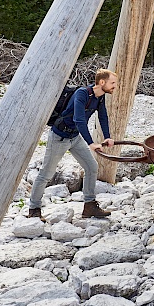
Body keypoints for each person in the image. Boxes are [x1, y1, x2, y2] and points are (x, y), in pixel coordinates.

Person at [28, 68, 118, 220]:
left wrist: (108, 137)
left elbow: (103, 117)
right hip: (60, 137)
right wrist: (91, 143)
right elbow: (79, 119)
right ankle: (34, 209)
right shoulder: (82, 94)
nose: (115, 86)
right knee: (46, 174)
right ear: (102, 82)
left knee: (91, 167)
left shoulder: (100, 97)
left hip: (75, 137)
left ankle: (89, 206)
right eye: (113, 83)